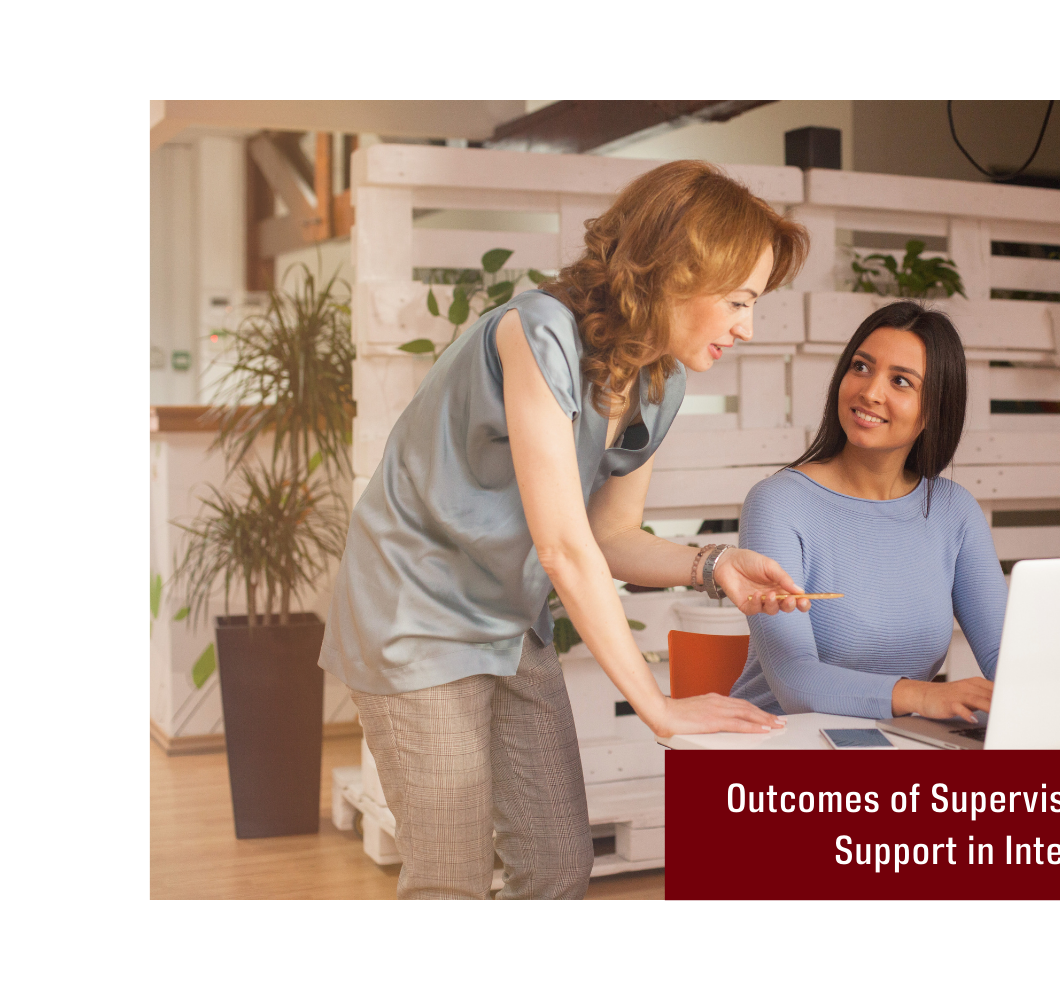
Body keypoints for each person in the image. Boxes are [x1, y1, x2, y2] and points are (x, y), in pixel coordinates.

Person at [319, 161, 812, 899]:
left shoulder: (660, 378)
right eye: (740, 299)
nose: (748, 326)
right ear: (676, 272)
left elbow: (610, 536)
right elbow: (562, 547)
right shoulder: (537, 332)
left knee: (556, 867)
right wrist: (658, 705)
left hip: (506, 619)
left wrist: (715, 565)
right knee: (449, 881)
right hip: (412, 615)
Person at [729, 300, 1008, 721]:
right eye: (861, 367)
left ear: (933, 409)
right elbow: (794, 680)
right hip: (777, 752)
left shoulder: (954, 512)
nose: (870, 392)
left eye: (900, 381)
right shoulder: (778, 502)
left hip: (891, 750)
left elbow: (1007, 657)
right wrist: (924, 697)